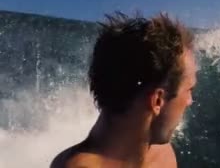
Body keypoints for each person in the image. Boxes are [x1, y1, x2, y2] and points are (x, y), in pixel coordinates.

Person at [51, 12, 197, 168]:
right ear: (158, 100)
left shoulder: (162, 155)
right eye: (189, 90)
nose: (190, 101)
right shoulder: (162, 159)